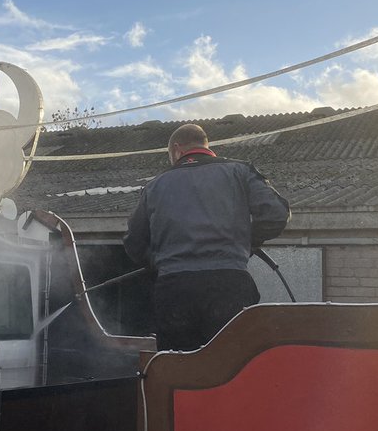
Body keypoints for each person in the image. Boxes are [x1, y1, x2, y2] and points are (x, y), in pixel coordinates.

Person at [123, 123, 290, 351]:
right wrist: (245, 244)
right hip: (229, 286)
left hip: (175, 290)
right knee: (232, 365)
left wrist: (160, 262)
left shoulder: (155, 186)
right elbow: (276, 214)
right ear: (205, 146)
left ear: (176, 149)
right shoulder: (240, 172)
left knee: (179, 369)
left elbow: (134, 242)